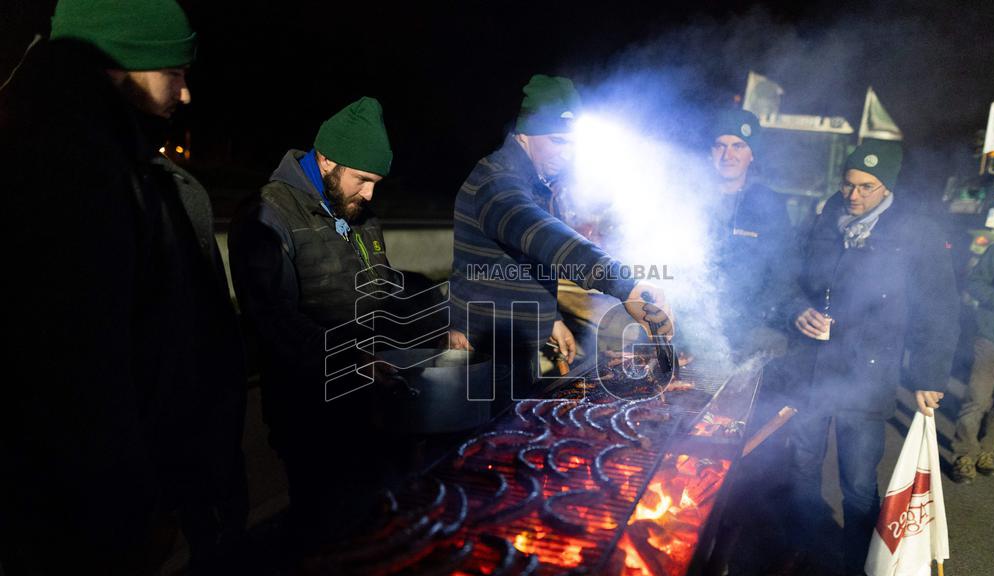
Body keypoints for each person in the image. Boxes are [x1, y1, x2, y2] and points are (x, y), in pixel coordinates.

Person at [0, 0, 247, 576]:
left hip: (121, 511)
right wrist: (131, 518)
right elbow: (76, 376)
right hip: (90, 534)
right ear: (120, 67)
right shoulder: (65, 177)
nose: (187, 93)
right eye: (173, 71)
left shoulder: (129, 170)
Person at [766, 140, 960, 576]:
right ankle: (803, 546)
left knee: (857, 483)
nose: (852, 195)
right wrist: (796, 311)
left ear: (886, 186)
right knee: (803, 465)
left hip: (867, 374)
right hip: (811, 371)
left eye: (865, 187)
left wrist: (930, 375)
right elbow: (789, 277)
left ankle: (855, 573)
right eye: (847, 184)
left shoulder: (913, 231)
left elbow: (937, 308)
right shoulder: (825, 216)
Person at [228, 98, 399, 551]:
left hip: (369, 401)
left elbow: (380, 290)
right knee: (321, 535)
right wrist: (348, 361)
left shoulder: (357, 212)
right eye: (363, 180)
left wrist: (431, 323)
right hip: (309, 411)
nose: (369, 194)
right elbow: (272, 317)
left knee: (371, 530)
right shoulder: (268, 214)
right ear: (326, 160)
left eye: (376, 183)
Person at [448, 74, 670, 398]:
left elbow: (525, 259)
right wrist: (626, 285)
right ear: (525, 133)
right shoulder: (495, 182)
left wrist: (549, 318)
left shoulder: (535, 185)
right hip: (481, 349)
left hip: (512, 346)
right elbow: (542, 236)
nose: (566, 154)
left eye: (572, 144)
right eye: (557, 140)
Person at [706, 108, 799, 358]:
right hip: (690, 326)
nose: (728, 155)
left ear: (752, 154)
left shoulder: (769, 204)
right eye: (720, 146)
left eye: (738, 146)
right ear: (710, 152)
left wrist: (752, 318)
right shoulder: (688, 198)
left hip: (747, 330)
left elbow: (784, 272)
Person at [952, 241, 994, 481]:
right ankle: (965, 456)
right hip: (992, 337)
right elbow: (974, 282)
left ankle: (987, 451)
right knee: (977, 399)